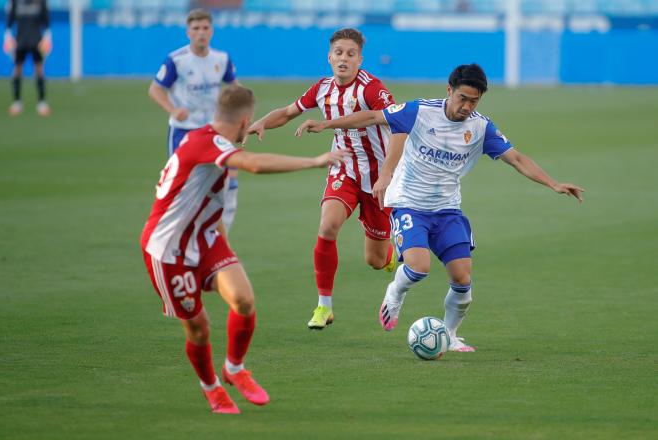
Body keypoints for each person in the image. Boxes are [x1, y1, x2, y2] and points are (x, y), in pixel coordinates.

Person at [296, 63, 584, 351]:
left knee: (463, 280)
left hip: (447, 211)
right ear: (449, 91)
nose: (467, 106)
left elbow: (517, 159)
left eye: (474, 101)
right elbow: (372, 116)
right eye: (462, 98)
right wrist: (326, 124)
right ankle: (395, 292)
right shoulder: (420, 111)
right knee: (418, 268)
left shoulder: (481, 127)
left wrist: (553, 183)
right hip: (409, 205)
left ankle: (450, 334)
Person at [140, 85, 345, 414]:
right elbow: (255, 164)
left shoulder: (208, 138)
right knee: (199, 328)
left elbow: (206, 200)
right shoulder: (206, 144)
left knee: (244, 300)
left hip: (206, 236)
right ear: (244, 120)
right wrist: (315, 160)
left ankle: (234, 368)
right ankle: (212, 390)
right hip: (168, 250)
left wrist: (224, 251)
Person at [247, 28, 397, 330]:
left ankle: (390, 255)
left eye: (350, 54)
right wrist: (263, 121)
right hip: (343, 169)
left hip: (379, 177)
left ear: (360, 60)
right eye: (338, 53)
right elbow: (289, 112)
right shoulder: (322, 88)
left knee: (375, 260)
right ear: (329, 57)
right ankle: (323, 306)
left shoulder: (372, 90)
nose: (344, 58)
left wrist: (388, 173)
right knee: (328, 226)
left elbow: (397, 124)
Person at [148, 8, 240, 233]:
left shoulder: (221, 58)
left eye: (205, 28)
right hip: (184, 131)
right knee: (184, 186)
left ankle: (219, 238)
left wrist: (238, 108)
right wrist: (172, 108)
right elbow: (155, 89)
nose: (201, 33)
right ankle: (177, 232)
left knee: (226, 181)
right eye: (196, 28)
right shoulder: (177, 60)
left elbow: (234, 86)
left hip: (214, 131)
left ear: (212, 31)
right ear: (188, 32)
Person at [3, 0, 52, 117]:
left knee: (39, 70)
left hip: (37, 41)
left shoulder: (40, 2)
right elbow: (9, 23)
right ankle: (17, 102)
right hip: (20, 41)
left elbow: (47, 24)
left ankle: (42, 102)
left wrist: (47, 38)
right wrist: (8, 37)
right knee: (17, 70)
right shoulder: (16, 2)